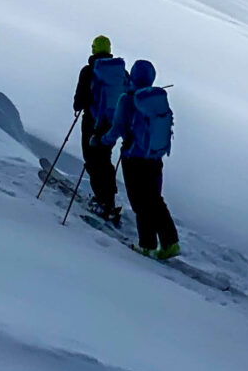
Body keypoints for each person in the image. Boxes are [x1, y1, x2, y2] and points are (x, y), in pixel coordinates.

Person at [99, 59, 180, 259]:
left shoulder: (127, 99)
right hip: (155, 157)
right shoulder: (156, 100)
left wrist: (103, 140)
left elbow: (117, 128)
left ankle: (148, 245)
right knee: (154, 199)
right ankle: (170, 242)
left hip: (134, 158)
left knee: (140, 202)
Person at [73, 35, 128, 221]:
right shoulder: (120, 72)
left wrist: (79, 106)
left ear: (94, 49)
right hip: (113, 124)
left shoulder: (89, 71)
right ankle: (109, 199)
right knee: (104, 159)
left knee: (91, 159)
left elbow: (80, 99)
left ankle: (101, 200)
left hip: (93, 122)